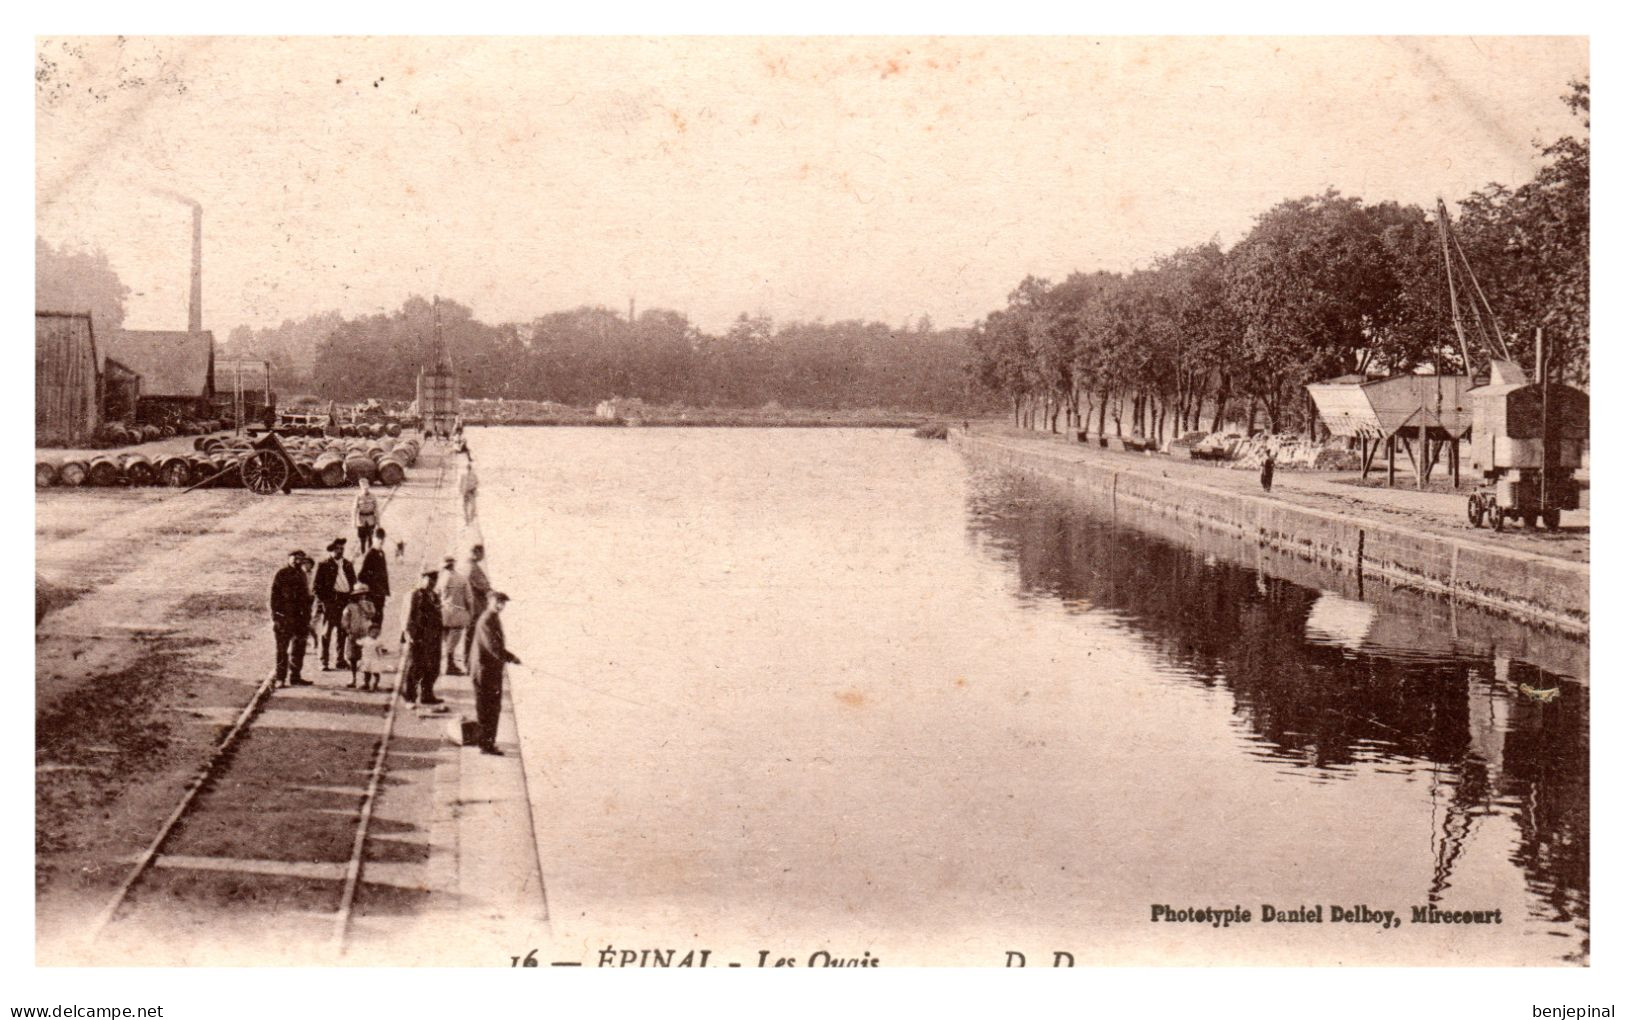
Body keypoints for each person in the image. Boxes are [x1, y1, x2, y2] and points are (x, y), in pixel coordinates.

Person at [470, 591, 520, 755]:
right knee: (487, 709)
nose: (501, 606)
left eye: (503, 603)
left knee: (491, 708)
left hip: (490, 671)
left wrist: (509, 657)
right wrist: (510, 657)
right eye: (498, 602)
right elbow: (493, 648)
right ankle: (486, 745)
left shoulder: (493, 618)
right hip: (484, 672)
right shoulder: (486, 620)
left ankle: (487, 742)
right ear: (490, 601)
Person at [270, 549, 314, 688]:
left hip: (300, 619)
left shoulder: (302, 574)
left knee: (299, 648)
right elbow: (274, 597)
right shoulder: (281, 574)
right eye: (294, 557)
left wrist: (307, 616)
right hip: (284, 619)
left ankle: (295, 676)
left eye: (300, 558)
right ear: (289, 558)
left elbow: (305, 598)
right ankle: (280, 678)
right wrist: (277, 617)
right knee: (282, 650)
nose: (297, 560)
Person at [401, 568, 444, 706]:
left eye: (434, 580)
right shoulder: (414, 595)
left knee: (432, 668)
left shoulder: (434, 595)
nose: (431, 583)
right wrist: (409, 634)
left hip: (433, 638)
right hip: (418, 638)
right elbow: (406, 616)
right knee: (415, 667)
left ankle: (427, 695)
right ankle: (410, 698)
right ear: (422, 579)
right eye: (428, 579)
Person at [314, 539, 356, 671]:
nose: (340, 550)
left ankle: (340, 660)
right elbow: (316, 587)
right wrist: (325, 601)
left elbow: (353, 582)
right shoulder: (324, 565)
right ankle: (324, 661)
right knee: (327, 632)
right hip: (331, 602)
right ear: (331, 550)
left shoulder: (348, 564)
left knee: (342, 631)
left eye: (342, 548)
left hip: (344, 601)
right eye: (337, 548)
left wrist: (351, 598)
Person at [438, 554, 472, 675]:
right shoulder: (462, 579)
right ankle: (449, 665)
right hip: (457, 615)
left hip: (443, 614)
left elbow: (436, 595)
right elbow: (469, 599)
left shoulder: (441, 579)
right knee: (453, 642)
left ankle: (447, 664)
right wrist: (470, 614)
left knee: (446, 641)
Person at [341, 585, 378, 689]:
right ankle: (353, 679)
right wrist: (348, 630)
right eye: (359, 595)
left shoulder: (369, 605)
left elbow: (372, 615)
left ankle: (366, 681)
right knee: (353, 658)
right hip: (353, 634)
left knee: (367, 658)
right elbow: (345, 620)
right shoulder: (349, 607)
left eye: (363, 594)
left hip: (366, 634)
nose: (361, 597)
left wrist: (364, 607)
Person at [462, 544, 491, 665]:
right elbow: (479, 586)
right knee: (472, 634)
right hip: (475, 607)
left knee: (472, 634)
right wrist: (488, 590)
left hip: (474, 606)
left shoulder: (470, 566)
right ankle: (469, 660)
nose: (483, 556)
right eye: (482, 553)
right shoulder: (472, 567)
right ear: (477, 553)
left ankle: (469, 660)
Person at [359, 528, 391, 621]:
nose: (381, 540)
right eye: (378, 538)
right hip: (372, 595)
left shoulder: (381, 553)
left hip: (380, 594)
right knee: (373, 622)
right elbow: (362, 576)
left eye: (382, 538)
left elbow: (384, 575)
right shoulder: (370, 554)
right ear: (373, 538)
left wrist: (385, 591)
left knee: (379, 620)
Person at [355, 623, 384, 692]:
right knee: (366, 672)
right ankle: (366, 684)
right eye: (373, 632)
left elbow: (379, 650)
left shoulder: (378, 641)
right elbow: (358, 643)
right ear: (369, 632)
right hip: (366, 659)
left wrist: (380, 656)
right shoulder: (365, 639)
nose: (375, 634)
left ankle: (375, 684)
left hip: (374, 659)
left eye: (377, 633)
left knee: (376, 672)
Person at [353, 478, 380, 551]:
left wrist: (378, 522)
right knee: (362, 538)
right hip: (361, 519)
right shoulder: (358, 497)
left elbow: (376, 509)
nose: (365, 488)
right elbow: (355, 510)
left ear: (368, 486)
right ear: (361, 487)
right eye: (363, 487)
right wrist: (354, 522)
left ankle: (370, 553)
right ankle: (363, 552)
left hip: (371, 519)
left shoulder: (373, 496)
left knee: (371, 537)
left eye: (366, 486)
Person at [459, 453, 479, 524]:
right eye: (468, 468)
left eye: (469, 469)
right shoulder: (464, 476)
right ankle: (468, 519)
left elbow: (477, 483)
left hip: (470, 492)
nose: (469, 470)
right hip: (467, 493)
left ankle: (470, 519)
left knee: (471, 507)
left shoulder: (473, 476)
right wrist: (461, 491)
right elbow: (461, 484)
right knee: (466, 507)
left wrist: (473, 488)